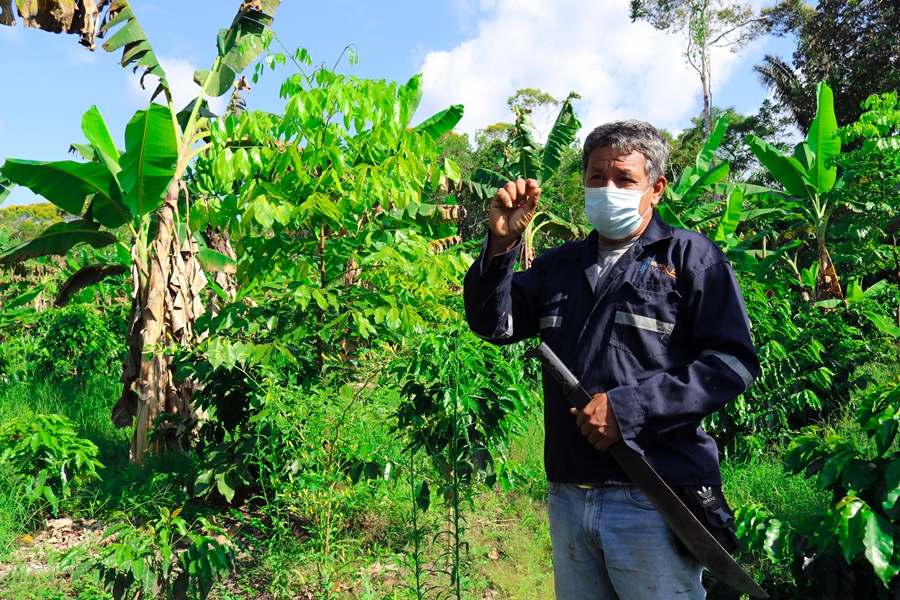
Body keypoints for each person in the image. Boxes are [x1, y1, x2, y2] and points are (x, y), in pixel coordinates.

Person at [463, 120, 759, 599]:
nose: (608, 189)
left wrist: (629, 409)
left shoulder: (689, 257)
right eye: (597, 177)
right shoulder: (559, 266)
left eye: (624, 179)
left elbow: (733, 363)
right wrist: (500, 245)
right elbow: (493, 325)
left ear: (656, 189)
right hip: (569, 494)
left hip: (653, 494)